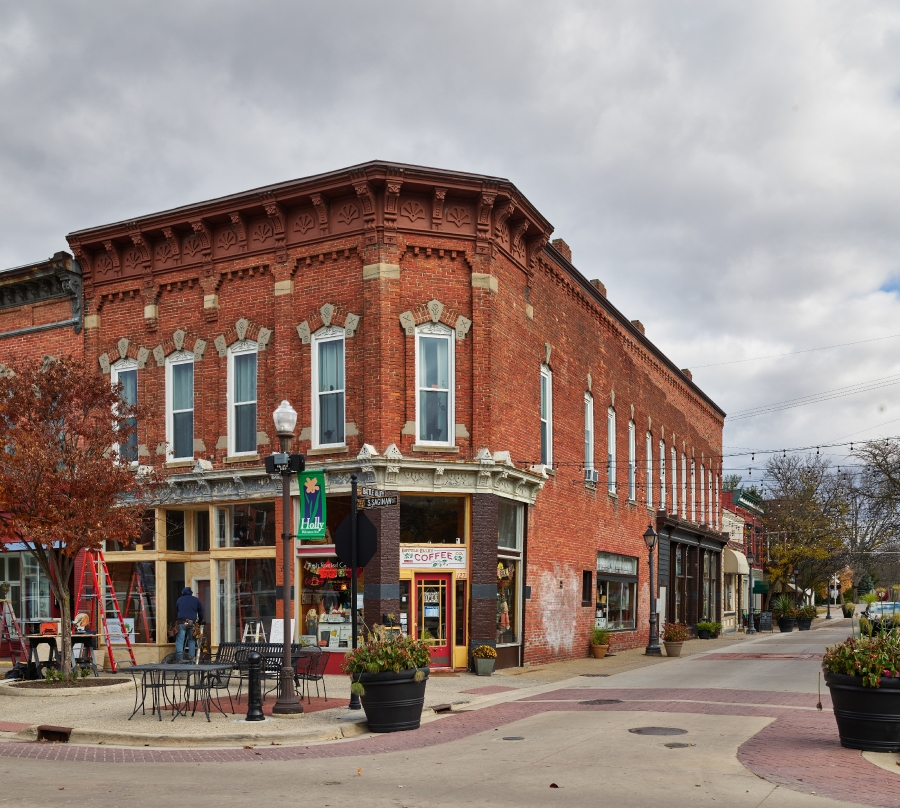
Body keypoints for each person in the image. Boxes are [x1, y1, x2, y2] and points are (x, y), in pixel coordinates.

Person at [174, 586, 204, 662]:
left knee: (180, 640)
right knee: (191, 640)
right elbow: (201, 611)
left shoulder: (179, 600)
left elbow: (177, 610)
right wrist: (200, 620)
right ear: (191, 593)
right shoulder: (196, 600)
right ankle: (191, 659)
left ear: (183, 593)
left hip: (182, 622)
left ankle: (179, 659)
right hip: (192, 622)